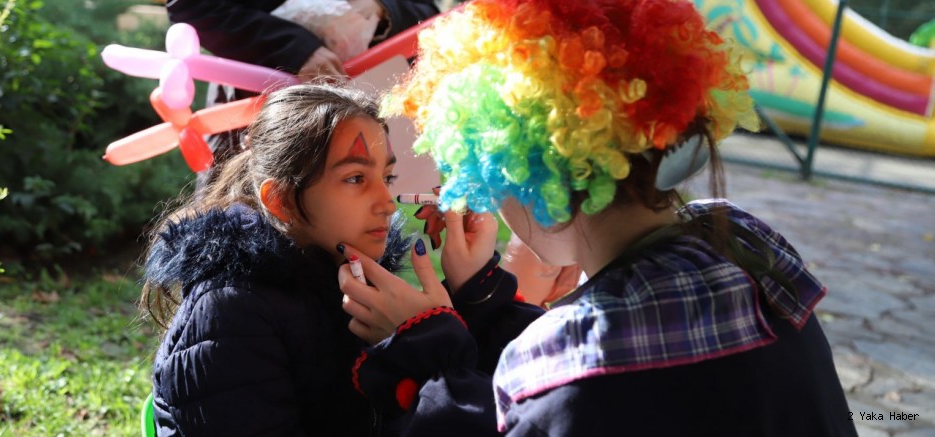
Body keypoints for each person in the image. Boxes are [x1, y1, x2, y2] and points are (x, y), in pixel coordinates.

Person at [338, 0, 857, 435]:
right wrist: (482, 293)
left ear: (522, 169)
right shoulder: (750, 244)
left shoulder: (560, 366)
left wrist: (423, 347)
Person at [140, 83, 424, 436]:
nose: (387, 202)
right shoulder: (231, 311)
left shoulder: (355, 279)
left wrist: (468, 288)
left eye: (387, 177)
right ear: (281, 200)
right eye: (355, 178)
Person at [164, 0, 439, 171]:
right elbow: (191, 6)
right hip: (255, 115)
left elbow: (427, 13)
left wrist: (382, 8)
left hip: (358, 120)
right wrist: (296, 50)